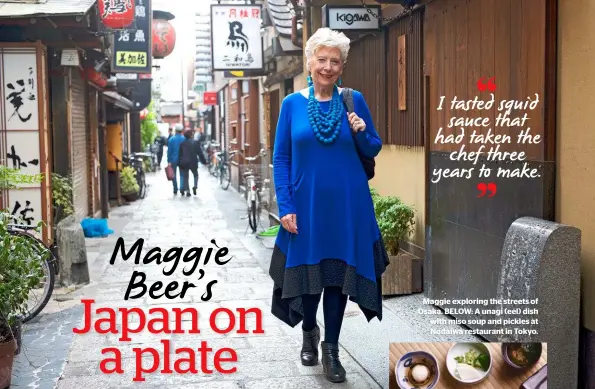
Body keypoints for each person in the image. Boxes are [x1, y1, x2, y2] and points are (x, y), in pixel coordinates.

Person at [268, 27, 388, 384]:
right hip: (306, 206)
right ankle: (309, 331)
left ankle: (331, 350)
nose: (328, 66)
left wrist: (361, 131)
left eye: (335, 61)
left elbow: (372, 148)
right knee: (307, 277)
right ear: (309, 61)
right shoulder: (291, 105)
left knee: (336, 278)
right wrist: (285, 205)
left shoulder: (353, 100)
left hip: (348, 207)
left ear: (342, 66)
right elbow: (282, 158)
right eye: (322, 59)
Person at [178, 129, 200, 197]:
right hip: (193, 162)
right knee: (195, 175)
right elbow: (200, 153)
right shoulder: (195, 143)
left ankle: (187, 191)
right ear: (191, 135)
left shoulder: (182, 143)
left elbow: (180, 154)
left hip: (184, 163)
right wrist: (204, 161)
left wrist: (179, 162)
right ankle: (195, 186)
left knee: (185, 177)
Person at [167, 125, 185, 195]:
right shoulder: (184, 139)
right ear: (181, 130)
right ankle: (182, 188)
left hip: (173, 160)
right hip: (182, 159)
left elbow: (169, 151)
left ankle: (175, 189)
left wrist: (168, 161)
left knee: (173, 174)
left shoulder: (171, 139)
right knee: (182, 174)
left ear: (175, 130)